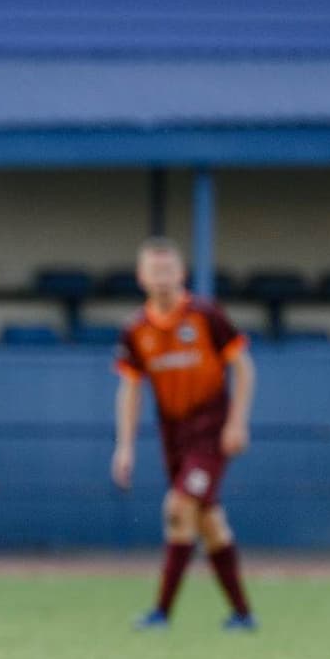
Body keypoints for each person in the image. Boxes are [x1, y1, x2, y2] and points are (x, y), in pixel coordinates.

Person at [110, 237, 257, 630]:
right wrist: (124, 447)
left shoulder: (206, 316)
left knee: (178, 508)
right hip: (173, 433)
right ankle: (243, 615)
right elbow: (129, 388)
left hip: (210, 428)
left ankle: (161, 613)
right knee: (208, 523)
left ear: (182, 274)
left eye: (168, 270)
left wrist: (237, 422)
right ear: (141, 276)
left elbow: (244, 368)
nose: (162, 278)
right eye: (154, 271)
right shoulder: (136, 330)